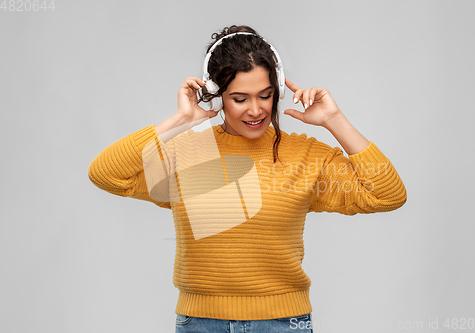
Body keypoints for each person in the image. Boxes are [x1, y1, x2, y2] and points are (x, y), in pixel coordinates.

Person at [88, 24, 407, 333]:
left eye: (265, 95)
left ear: (277, 91)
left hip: (283, 323)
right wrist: (180, 120)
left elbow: (387, 195)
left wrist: (335, 120)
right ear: (216, 94)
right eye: (240, 98)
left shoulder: (306, 156)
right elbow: (106, 173)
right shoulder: (188, 153)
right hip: (200, 323)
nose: (256, 110)